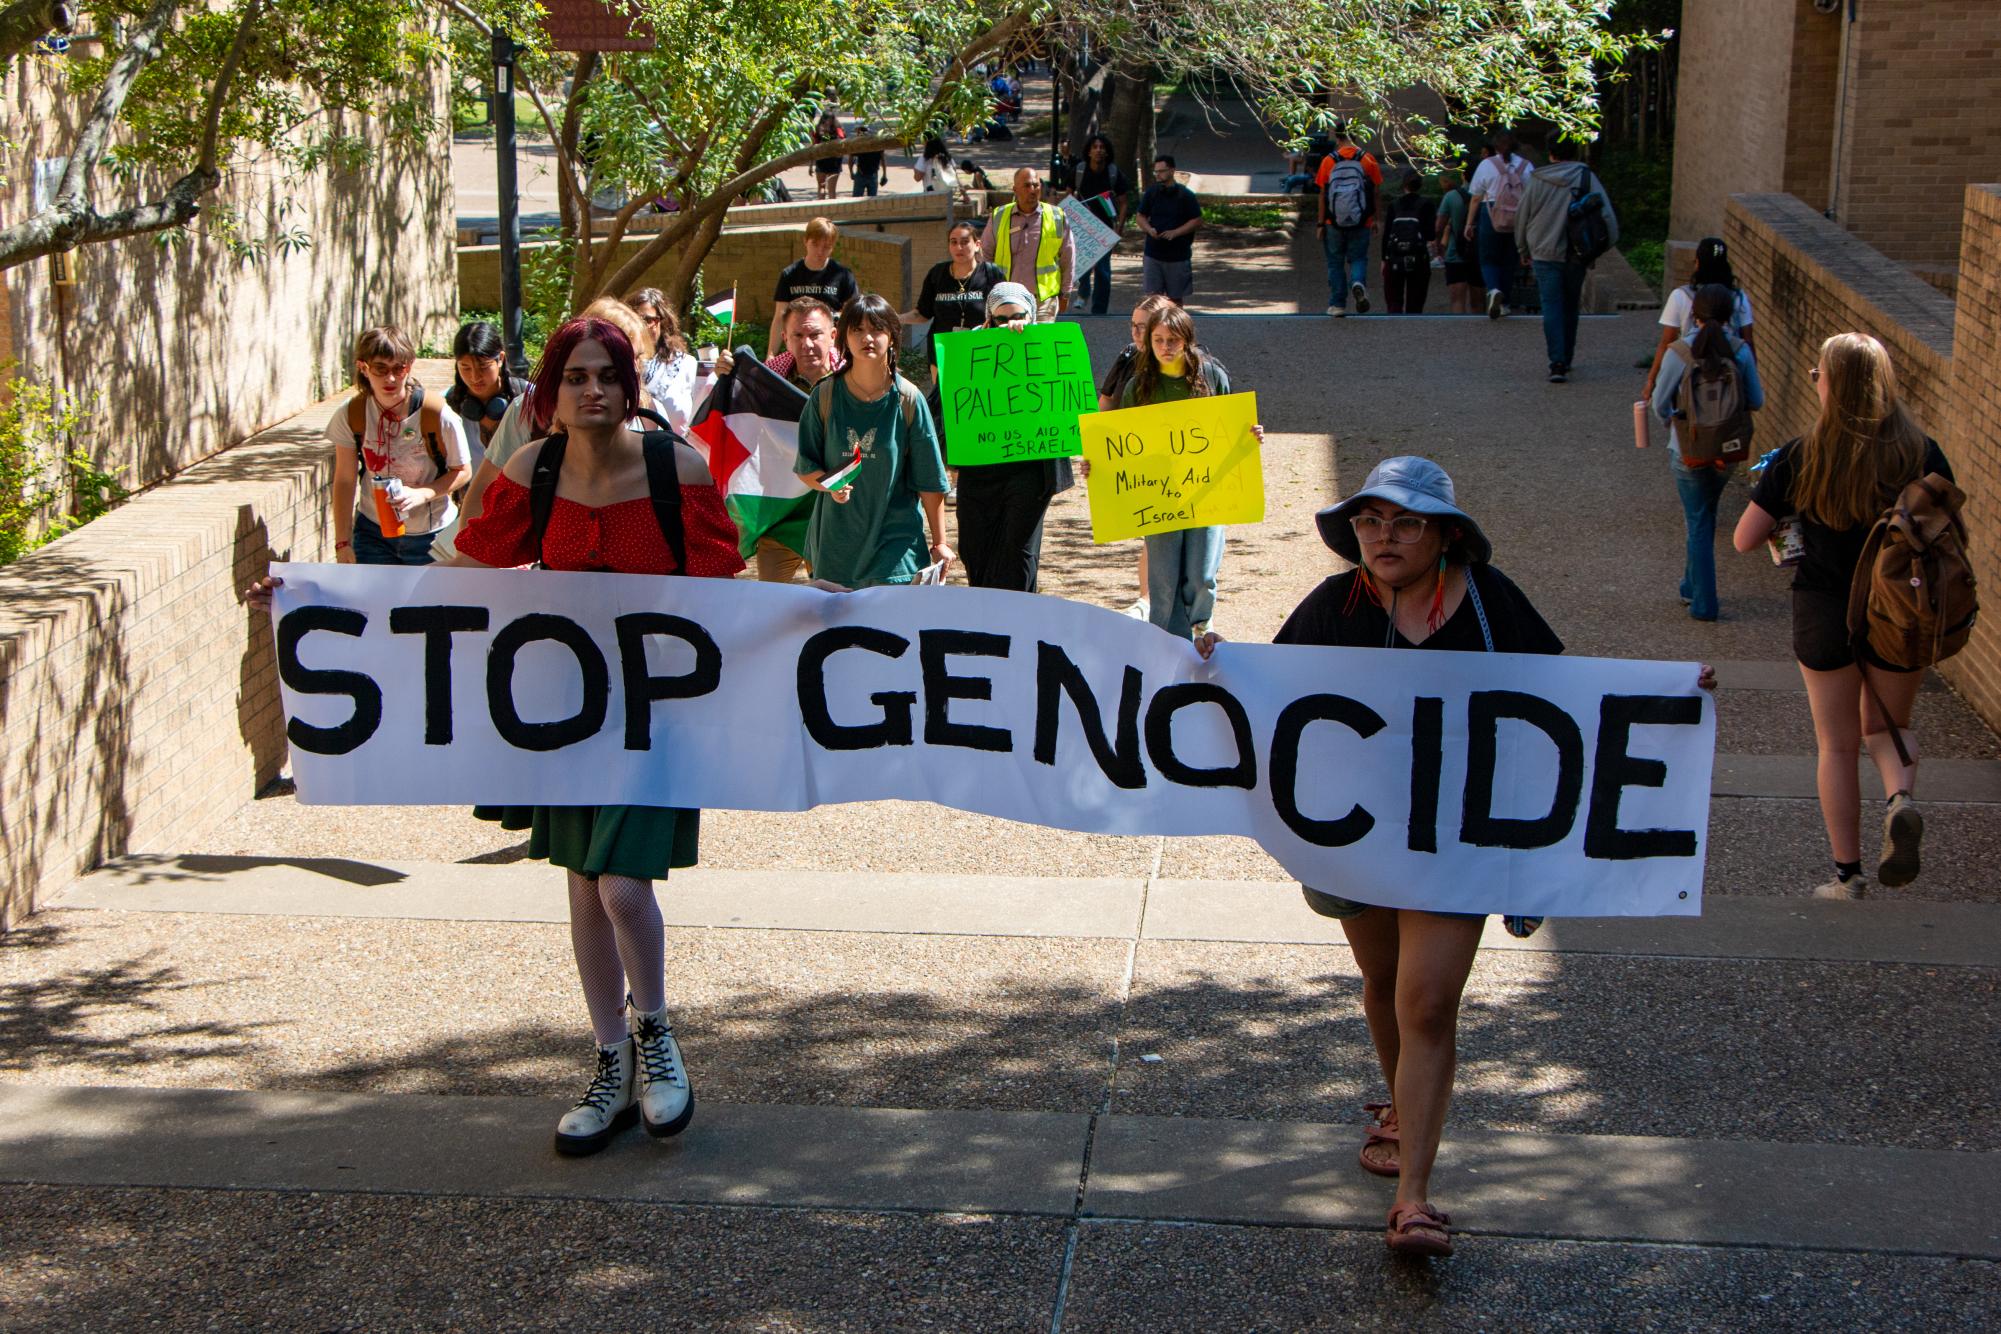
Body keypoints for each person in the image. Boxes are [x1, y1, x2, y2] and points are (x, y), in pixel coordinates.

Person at [249, 316, 746, 1156]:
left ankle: (658, 1038)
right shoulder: (531, 469)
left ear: (630, 388)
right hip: (563, 716)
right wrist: (316, 598)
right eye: (577, 376)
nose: (593, 390)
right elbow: (461, 575)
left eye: (608, 376)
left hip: (657, 715)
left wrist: (833, 607)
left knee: (623, 886)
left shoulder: (674, 468)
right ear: (550, 392)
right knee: (584, 886)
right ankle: (609, 1061)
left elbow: (731, 590)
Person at [1199, 455, 1718, 1258]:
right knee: (1382, 985)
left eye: (1403, 522)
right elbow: (1274, 691)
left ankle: (1412, 1198)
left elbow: (1563, 701)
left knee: (1428, 1001)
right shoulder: (1334, 603)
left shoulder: (1489, 601)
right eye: (1369, 522)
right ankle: (1403, 1107)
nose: (1383, 537)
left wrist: (1670, 699)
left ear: (1443, 535)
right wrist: (1216, 662)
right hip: (1358, 843)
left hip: (1454, 843)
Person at [1732, 332, 1954, 900]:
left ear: (1831, 384)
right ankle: (1900, 798)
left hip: (1825, 611)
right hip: (1900, 610)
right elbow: (1946, 525)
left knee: (1836, 745)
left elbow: (1744, 538)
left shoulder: (1801, 454)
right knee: (1888, 725)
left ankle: (1848, 875)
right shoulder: (1921, 451)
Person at [1120, 303, 1262, 638]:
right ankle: (1166, 639)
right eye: (1158, 340)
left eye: (1173, 340)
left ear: (1187, 340)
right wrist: (1097, 466)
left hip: (1206, 491)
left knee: (1201, 571)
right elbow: (1121, 443)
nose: (1165, 348)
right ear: (1149, 342)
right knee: (1164, 575)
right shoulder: (1138, 387)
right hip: (1159, 494)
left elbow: (1230, 428)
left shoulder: (1213, 377)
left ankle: (1201, 626)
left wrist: (1250, 436)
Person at [794, 293, 954, 588]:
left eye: (877, 329)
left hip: (896, 549)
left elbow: (930, 481)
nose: (867, 337)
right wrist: (831, 484)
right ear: (844, 338)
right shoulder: (824, 396)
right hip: (836, 550)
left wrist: (940, 542)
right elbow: (806, 466)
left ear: (892, 337)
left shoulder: (909, 399)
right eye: (857, 329)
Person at [947, 283, 1074, 591]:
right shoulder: (968, 351)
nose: (1009, 324)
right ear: (989, 319)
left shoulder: (1044, 348)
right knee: (975, 548)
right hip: (980, 471)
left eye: (1017, 316)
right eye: (1001, 319)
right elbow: (945, 406)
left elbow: (1065, 400)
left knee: (1018, 552)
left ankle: (1021, 621)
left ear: (1030, 315)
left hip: (1029, 471)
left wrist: (1029, 339)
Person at [1652, 285, 1765, 622]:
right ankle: (1690, 585)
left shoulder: (1680, 351)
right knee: (1703, 516)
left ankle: (1704, 602)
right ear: (1731, 313)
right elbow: (1756, 401)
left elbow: (1660, 403)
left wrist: (1673, 424)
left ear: (1694, 314)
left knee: (1698, 523)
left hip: (1687, 450)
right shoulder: (1740, 351)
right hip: (1727, 453)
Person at [325, 326, 472, 566]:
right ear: (364, 368)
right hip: (373, 533)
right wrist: (342, 542)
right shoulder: (352, 414)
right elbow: (344, 479)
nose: (390, 378)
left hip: (431, 535)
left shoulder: (436, 413)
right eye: (380, 369)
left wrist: (422, 494)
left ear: (410, 366)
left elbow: (463, 471)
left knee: (428, 603)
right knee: (371, 602)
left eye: (398, 368)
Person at [1514, 137, 1617, 383]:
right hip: (1576, 254)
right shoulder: (1586, 177)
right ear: (1575, 153)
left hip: (1543, 251)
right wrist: (1597, 250)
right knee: (1571, 306)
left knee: (1551, 306)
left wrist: (1522, 248)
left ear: (1551, 154)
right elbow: (1608, 218)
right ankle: (1567, 358)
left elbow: (1522, 216)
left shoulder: (1537, 180)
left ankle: (1556, 362)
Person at [1643, 236, 1758, 401]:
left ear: (1698, 263)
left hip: (1690, 383)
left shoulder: (1680, 296)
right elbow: (1748, 341)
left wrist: (1652, 380)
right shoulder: (1739, 298)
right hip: (1729, 385)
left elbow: (1667, 343)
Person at [906, 220, 1005, 368]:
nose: (959, 247)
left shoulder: (991, 273)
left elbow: (1006, 310)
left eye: (965, 242)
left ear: (977, 245)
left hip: (982, 354)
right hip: (944, 353)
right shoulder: (937, 274)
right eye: (954, 242)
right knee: (941, 392)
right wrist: (895, 318)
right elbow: (922, 313)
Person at [981, 168, 1075, 322]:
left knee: (1040, 344)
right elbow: (986, 256)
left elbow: (1068, 257)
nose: (1032, 190)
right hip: (1007, 300)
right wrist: (987, 290)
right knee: (1012, 345)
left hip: (1044, 300)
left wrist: (1066, 293)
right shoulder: (999, 215)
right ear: (1015, 189)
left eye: (1036, 185)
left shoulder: (1057, 216)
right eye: (1026, 185)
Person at [624, 287, 721, 434]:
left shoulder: (686, 365)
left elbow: (706, 412)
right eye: (635, 319)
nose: (641, 326)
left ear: (662, 322)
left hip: (676, 452)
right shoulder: (618, 367)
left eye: (647, 320)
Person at [1314, 123, 1382, 317]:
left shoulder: (1328, 161)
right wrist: (1377, 219)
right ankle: (1358, 282)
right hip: (1362, 221)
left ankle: (1338, 304)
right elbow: (1376, 192)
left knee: (1335, 263)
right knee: (1358, 258)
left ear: (1337, 137)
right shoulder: (1368, 160)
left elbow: (1322, 194)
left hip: (1332, 222)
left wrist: (1320, 223)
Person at [1465, 129, 1533, 319]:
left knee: (1488, 258)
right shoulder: (1526, 166)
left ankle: (1493, 289)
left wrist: (1469, 223)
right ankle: (1505, 303)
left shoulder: (1487, 165)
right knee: (1509, 260)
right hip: (1518, 215)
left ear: (1495, 146)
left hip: (1491, 212)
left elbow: (1476, 197)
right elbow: (1532, 196)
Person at [446, 321, 529, 471]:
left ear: (501, 359)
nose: (475, 377)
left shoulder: (528, 397)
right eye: (465, 368)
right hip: (470, 493)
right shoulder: (449, 404)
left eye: (483, 366)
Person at [768, 217, 859, 355]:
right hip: (798, 346)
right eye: (815, 244)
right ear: (805, 241)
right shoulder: (790, 274)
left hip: (830, 347)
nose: (820, 251)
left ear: (832, 247)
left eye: (826, 247)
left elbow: (851, 315)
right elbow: (780, 317)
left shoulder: (843, 275)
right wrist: (771, 354)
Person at [1069, 134, 1131, 315]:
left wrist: (1119, 227)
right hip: (1081, 228)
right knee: (1083, 266)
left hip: (1104, 230)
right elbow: (1068, 195)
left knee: (1103, 270)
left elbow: (1124, 201)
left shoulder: (1113, 173)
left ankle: (1099, 310)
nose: (1098, 150)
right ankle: (1082, 293)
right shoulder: (1079, 170)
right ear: (1088, 151)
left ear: (1107, 152)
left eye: (1102, 147)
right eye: (1095, 147)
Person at [1136, 155, 1203, 303]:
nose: (1158, 175)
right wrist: (1149, 229)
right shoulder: (1151, 193)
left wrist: (1176, 232)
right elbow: (1140, 216)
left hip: (1177, 255)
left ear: (1172, 171)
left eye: (1162, 171)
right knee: (1152, 300)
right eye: (1156, 172)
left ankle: (1176, 326)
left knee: (1175, 299)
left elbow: (1197, 220)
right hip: (1153, 253)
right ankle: (1154, 326)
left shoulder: (1185, 195)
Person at [1381, 172, 1437, 315]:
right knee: (1416, 300)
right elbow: (1430, 234)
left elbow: (1387, 234)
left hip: (1395, 256)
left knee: (1394, 298)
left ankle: (1395, 324)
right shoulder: (1427, 205)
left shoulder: (1394, 205)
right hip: (1418, 256)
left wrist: (1384, 258)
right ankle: (1413, 325)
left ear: (1404, 185)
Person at [1435, 168, 1476, 313]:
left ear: (1463, 175)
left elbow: (1439, 225)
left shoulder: (1452, 196)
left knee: (1457, 300)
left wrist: (1439, 245)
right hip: (1479, 252)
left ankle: (1459, 332)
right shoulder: (1487, 194)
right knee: (1479, 301)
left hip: (1456, 251)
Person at [811, 109, 845, 200]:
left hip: (834, 162)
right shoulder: (818, 130)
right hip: (823, 161)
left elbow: (840, 141)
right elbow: (813, 147)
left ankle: (830, 211)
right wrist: (811, 165)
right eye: (827, 119)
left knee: (831, 190)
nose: (828, 122)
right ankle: (822, 210)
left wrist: (826, 134)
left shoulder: (836, 130)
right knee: (822, 188)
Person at [849, 126, 889, 197]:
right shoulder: (877, 144)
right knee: (872, 200)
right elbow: (883, 159)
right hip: (873, 174)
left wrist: (851, 172)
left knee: (856, 199)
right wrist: (884, 174)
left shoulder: (859, 145)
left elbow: (851, 159)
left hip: (861, 174)